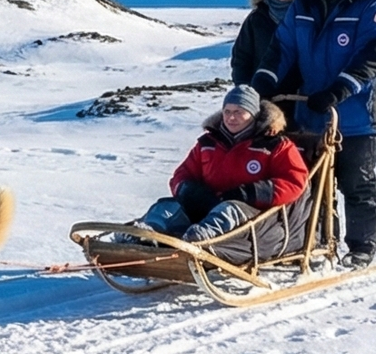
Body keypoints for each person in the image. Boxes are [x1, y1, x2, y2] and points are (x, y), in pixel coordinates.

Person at [253, 0, 376, 267]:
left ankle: (360, 248)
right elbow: (283, 48)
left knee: (355, 181)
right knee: (314, 182)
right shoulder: (303, 7)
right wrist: (264, 80)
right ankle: (319, 242)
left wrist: (339, 89)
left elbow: (373, 57)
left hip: (358, 113)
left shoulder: (370, 6)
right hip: (314, 111)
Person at [133, 85, 310, 242]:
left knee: (228, 210)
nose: (231, 117)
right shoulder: (207, 143)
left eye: (239, 112)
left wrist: (251, 192)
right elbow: (182, 174)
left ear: (254, 115)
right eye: (227, 111)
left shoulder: (275, 145)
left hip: (250, 213)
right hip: (207, 204)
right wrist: (189, 191)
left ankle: (198, 240)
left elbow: (294, 181)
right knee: (167, 206)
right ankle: (147, 233)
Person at [231, 0, 309, 87]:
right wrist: (245, 89)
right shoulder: (258, 18)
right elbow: (241, 58)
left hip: (302, 98)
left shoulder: (310, 17)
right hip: (262, 94)